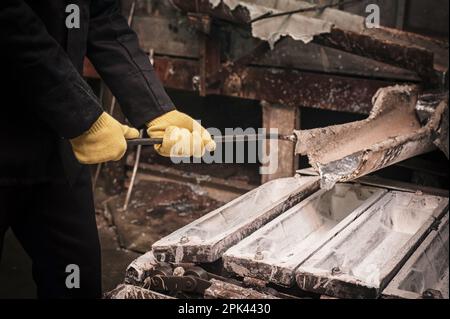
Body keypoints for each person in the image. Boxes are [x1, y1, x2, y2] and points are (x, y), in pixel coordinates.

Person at [0, 0, 215, 298]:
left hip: (60, 145)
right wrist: (82, 115)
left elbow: (102, 18)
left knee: (76, 279)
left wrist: (156, 109)